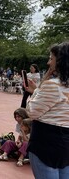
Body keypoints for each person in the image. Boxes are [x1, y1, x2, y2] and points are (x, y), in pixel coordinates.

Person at [25, 43, 69, 179]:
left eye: (51, 58)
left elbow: (31, 111)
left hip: (46, 144)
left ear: (61, 61)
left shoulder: (53, 86)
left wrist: (37, 90)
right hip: (66, 146)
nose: (48, 62)